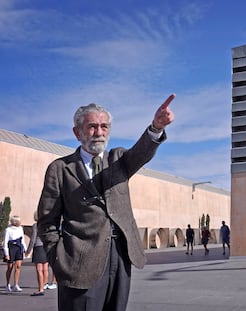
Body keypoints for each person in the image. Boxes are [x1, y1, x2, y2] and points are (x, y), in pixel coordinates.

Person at [37, 94, 175, 311]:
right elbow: (47, 220)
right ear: (77, 132)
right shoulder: (60, 169)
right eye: (92, 126)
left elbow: (141, 153)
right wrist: (57, 257)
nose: (99, 133)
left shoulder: (118, 160)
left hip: (119, 257)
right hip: (78, 261)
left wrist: (156, 127)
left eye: (104, 126)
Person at [25, 211, 57, 296]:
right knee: (45, 268)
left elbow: (33, 238)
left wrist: (28, 251)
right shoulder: (47, 224)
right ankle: (44, 284)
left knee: (39, 269)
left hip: (38, 247)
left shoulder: (36, 225)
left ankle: (40, 289)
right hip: (46, 247)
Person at [3, 215, 27, 292]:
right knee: (10, 267)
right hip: (11, 248)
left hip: (18, 247)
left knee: (18, 266)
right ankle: (8, 284)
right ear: (15, 222)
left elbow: (22, 239)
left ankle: (16, 284)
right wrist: (6, 253)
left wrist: (25, 249)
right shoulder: (8, 230)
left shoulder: (20, 229)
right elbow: (5, 242)